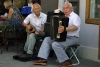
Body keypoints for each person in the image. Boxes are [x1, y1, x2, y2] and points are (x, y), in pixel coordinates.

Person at [33, 1, 81, 67]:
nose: (65, 10)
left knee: (55, 44)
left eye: (67, 8)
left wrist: (64, 29)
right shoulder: (63, 17)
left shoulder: (75, 16)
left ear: (71, 8)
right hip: (63, 37)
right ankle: (43, 59)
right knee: (47, 39)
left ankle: (66, 61)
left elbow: (75, 27)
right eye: (64, 8)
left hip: (72, 38)